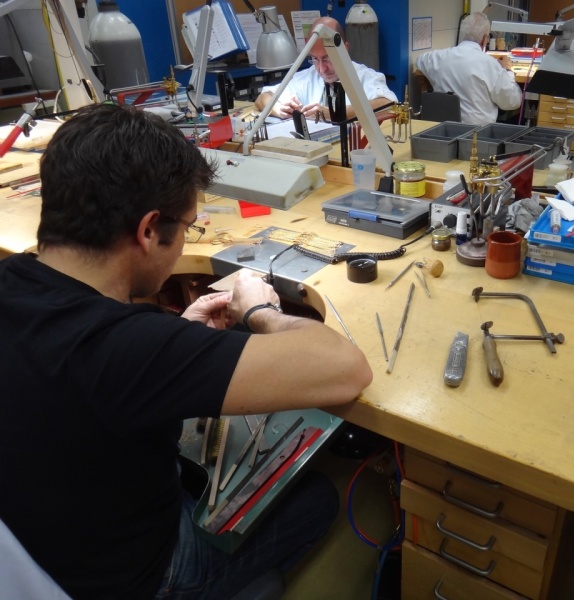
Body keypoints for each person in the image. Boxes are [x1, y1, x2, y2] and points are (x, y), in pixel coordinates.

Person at [0, 103, 373, 599]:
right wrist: (257, 312)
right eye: (188, 227)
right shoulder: (125, 350)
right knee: (320, 498)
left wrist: (174, 335)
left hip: (41, 549)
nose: (183, 244)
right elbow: (346, 369)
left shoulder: (13, 285)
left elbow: (100, 374)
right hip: (140, 577)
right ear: (149, 229)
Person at [254, 16, 397, 122]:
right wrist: (279, 109)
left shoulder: (366, 77)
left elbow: (389, 104)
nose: (322, 69)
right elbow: (263, 98)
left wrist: (338, 113)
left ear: (345, 49)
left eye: (327, 58)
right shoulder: (307, 77)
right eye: (315, 59)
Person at [415, 12, 522, 126]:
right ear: (484, 39)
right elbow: (512, 101)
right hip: (479, 136)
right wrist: (508, 71)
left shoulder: (437, 57)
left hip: (444, 132)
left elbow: (419, 60)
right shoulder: (489, 65)